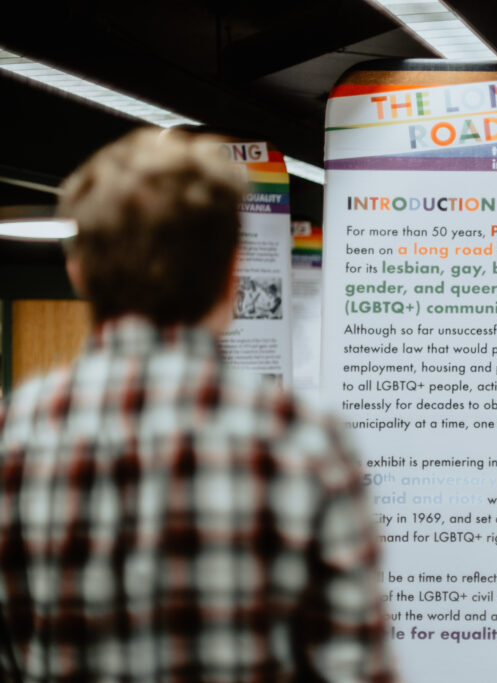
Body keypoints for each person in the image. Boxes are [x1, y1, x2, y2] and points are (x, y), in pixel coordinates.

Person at [0, 128, 393, 682]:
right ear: (234, 272)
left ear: (77, 268)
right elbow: (352, 666)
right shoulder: (302, 440)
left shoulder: (15, 434)